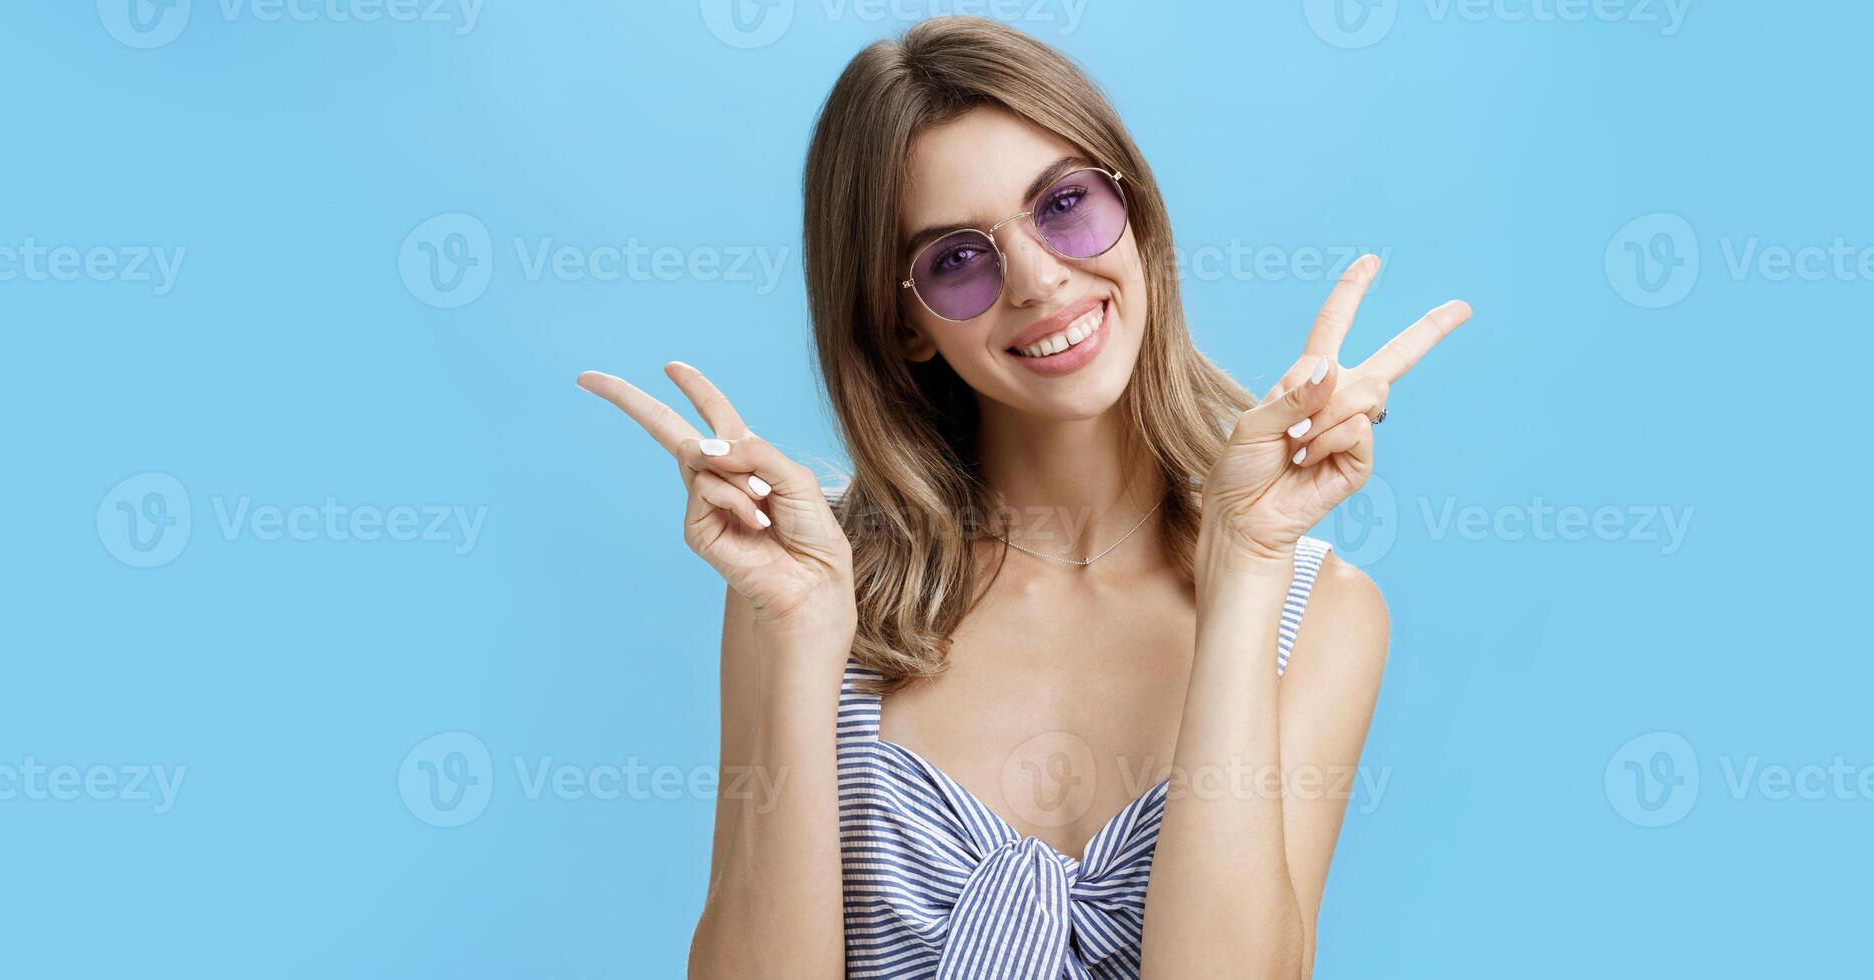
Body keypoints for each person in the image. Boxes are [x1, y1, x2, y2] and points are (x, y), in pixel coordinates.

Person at [578, 16, 1469, 978]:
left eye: (1066, 204)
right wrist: (800, 642)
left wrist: (1245, 568)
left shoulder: (1324, 611)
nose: (1041, 280)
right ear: (904, 324)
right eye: (957, 259)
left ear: (1135, 208)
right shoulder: (807, 587)